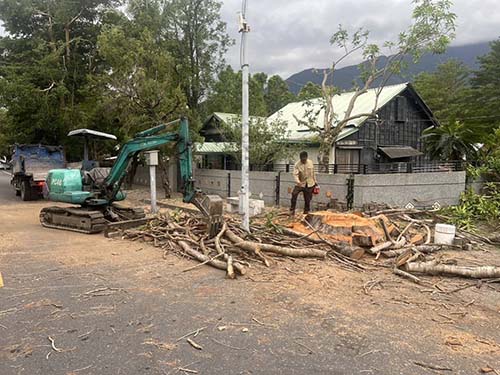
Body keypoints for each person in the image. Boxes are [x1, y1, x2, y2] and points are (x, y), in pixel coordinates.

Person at [290, 151, 317, 215]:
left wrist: (315, 182)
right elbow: (295, 174)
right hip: (300, 183)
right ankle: (292, 210)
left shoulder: (310, 162)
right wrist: (298, 181)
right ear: (300, 158)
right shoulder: (297, 164)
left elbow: (313, 173)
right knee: (294, 194)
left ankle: (306, 211)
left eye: (304, 159)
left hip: (310, 183)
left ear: (307, 157)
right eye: (302, 159)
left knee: (308, 199)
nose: (303, 160)